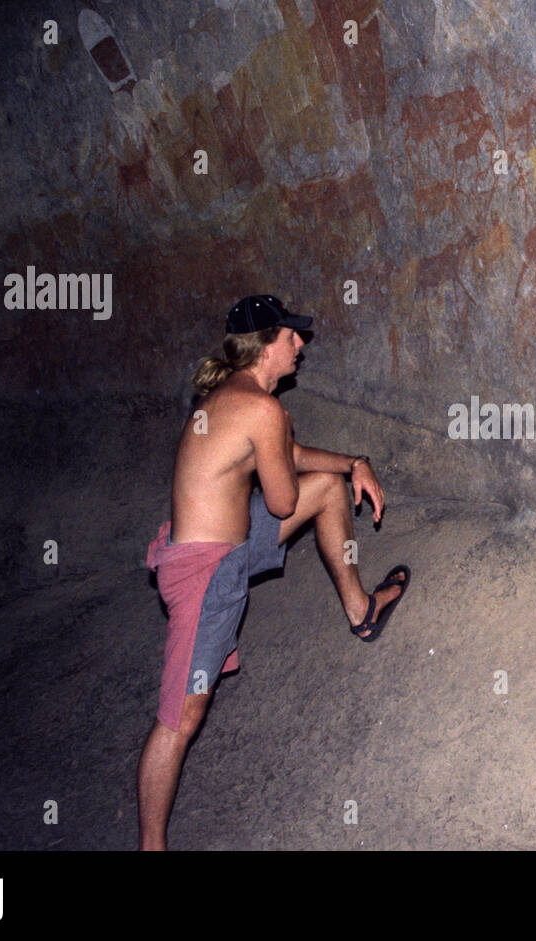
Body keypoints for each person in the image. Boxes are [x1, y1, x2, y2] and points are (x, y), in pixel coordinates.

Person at [137, 294, 410, 850]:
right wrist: (281, 438)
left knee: (331, 487)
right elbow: (284, 502)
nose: (301, 346)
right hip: (205, 573)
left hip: (228, 544)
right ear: (267, 345)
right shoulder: (261, 410)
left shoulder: (236, 397)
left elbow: (291, 453)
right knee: (178, 720)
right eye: (292, 337)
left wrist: (352, 462)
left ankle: (362, 611)